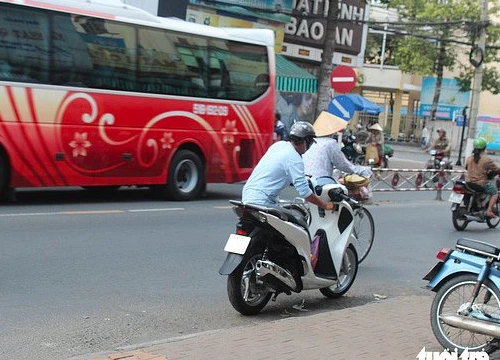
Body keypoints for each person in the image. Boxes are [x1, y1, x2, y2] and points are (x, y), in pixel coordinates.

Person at [242, 121, 335, 211]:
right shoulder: (295, 159)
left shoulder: (279, 145)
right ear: (306, 141)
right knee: (293, 223)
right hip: (262, 202)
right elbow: (305, 192)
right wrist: (325, 205)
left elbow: (277, 170)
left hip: (247, 196)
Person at [303, 112, 373, 179]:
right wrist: (361, 170)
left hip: (303, 181)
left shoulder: (310, 141)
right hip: (320, 182)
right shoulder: (330, 143)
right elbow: (343, 165)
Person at [465, 137, 500, 218]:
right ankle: (489, 211)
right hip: (480, 184)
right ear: (484, 148)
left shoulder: (469, 158)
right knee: (495, 193)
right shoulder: (486, 160)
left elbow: (466, 168)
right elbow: (497, 169)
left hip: (468, 182)